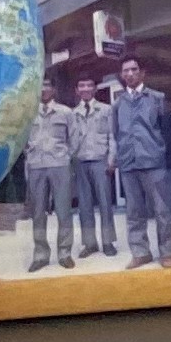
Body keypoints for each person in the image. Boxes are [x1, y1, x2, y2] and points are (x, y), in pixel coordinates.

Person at [108, 54, 171, 267]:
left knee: (161, 210)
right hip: (128, 164)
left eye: (134, 69)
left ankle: (166, 252)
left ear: (142, 73)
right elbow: (116, 133)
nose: (130, 74)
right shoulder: (118, 104)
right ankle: (141, 252)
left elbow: (167, 130)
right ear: (122, 75)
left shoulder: (157, 98)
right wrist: (116, 158)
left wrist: (159, 152)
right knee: (134, 212)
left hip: (154, 163)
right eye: (126, 71)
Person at [19, 70, 77, 274]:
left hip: (59, 165)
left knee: (63, 211)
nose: (43, 90)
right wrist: (30, 154)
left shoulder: (65, 112)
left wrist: (65, 156)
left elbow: (74, 139)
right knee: (37, 212)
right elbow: (22, 139)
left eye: (47, 86)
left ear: (54, 89)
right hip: (36, 166)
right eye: (40, 86)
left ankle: (64, 253)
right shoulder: (28, 113)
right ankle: (41, 255)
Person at [61, 71, 119, 266]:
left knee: (105, 203)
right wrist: (69, 162)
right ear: (77, 90)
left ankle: (108, 242)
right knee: (84, 206)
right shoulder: (72, 114)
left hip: (100, 160)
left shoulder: (106, 110)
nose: (85, 89)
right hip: (80, 161)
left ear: (94, 89)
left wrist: (111, 160)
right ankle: (90, 243)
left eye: (89, 85)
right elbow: (69, 139)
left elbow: (113, 136)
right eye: (81, 86)